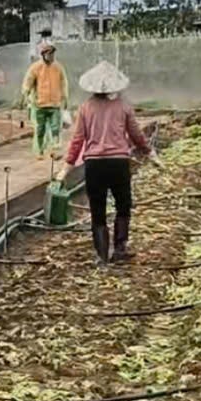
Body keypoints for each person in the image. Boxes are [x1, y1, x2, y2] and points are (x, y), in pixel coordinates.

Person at [63, 59, 159, 265]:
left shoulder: (85, 108)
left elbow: (77, 140)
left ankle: (102, 255)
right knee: (123, 205)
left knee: (98, 210)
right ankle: (120, 248)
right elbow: (136, 135)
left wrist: (65, 169)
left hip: (94, 165)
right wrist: (150, 153)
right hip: (118, 163)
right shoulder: (123, 107)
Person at [22, 39, 69, 159]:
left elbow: (64, 83)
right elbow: (28, 82)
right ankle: (40, 151)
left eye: (52, 53)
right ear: (43, 55)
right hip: (39, 104)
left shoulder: (58, 68)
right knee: (40, 129)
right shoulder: (35, 68)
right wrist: (26, 94)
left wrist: (65, 97)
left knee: (55, 129)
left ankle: (54, 151)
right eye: (49, 53)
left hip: (55, 104)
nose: (51, 56)